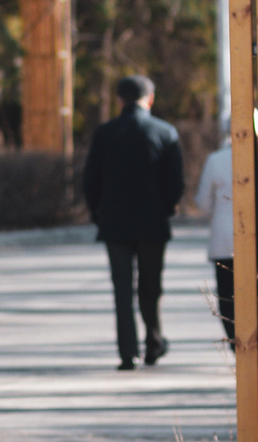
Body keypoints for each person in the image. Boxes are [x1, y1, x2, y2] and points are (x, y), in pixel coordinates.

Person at [80, 74, 187, 371]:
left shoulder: (104, 133)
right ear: (150, 99)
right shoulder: (165, 132)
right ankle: (153, 342)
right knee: (151, 288)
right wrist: (166, 208)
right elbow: (176, 182)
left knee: (122, 290)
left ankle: (127, 353)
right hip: (153, 224)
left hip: (114, 224)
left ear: (119, 100)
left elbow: (90, 180)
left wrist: (97, 213)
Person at [193, 139, 237, 345]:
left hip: (225, 239)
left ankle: (236, 343)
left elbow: (203, 202)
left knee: (228, 298)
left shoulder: (216, 160)